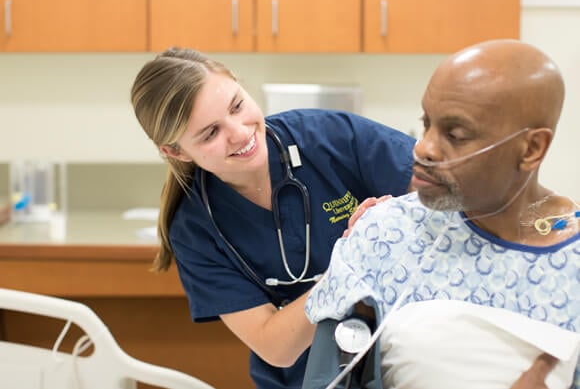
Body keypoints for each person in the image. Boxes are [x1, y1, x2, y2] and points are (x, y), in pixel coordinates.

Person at [129, 47, 417, 389]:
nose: (239, 132)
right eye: (210, 133)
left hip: (407, 363)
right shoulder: (195, 228)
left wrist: (395, 218)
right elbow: (277, 347)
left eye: (237, 106)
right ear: (175, 151)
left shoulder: (329, 138)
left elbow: (442, 196)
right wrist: (353, 260)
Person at [302, 39, 580, 389]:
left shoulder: (571, 264)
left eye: (456, 134)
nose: (424, 147)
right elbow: (327, 379)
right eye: (426, 122)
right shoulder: (384, 234)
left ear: (531, 148)